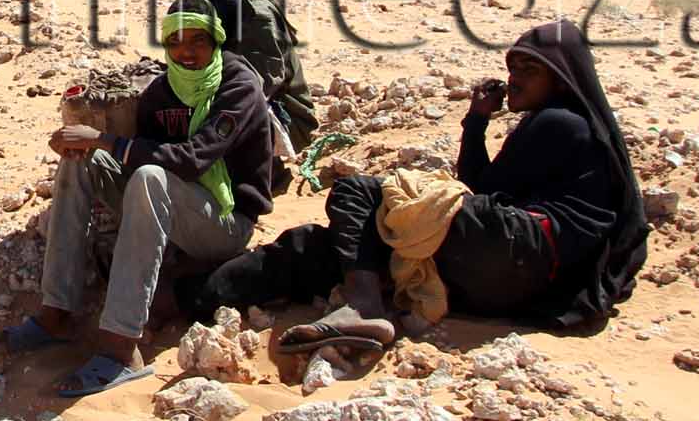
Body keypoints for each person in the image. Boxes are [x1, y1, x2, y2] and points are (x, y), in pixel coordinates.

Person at [189, 19, 650, 357]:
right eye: (513, 66)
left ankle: (363, 304)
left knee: (359, 193)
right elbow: (479, 191)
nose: (514, 78)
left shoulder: (560, 123)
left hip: (519, 252)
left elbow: (478, 192)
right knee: (323, 248)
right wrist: (476, 121)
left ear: (563, 76)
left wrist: (473, 127)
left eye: (530, 69)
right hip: (506, 279)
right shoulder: (561, 125)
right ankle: (198, 295)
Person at [0, 0, 275, 397]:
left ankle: (121, 347)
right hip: (172, 210)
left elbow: (192, 160)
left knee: (149, 175)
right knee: (81, 160)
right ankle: (56, 311)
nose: (187, 52)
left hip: (225, 221)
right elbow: (142, 154)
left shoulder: (238, 86)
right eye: (176, 42)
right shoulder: (162, 92)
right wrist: (86, 145)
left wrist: (106, 139)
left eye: (198, 41)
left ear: (216, 41)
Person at [187, 0, 317, 188]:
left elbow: (258, 85)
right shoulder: (203, 8)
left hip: (285, 116)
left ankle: (260, 176)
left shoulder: (256, 13)